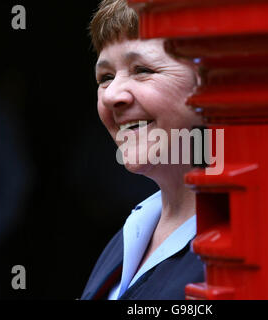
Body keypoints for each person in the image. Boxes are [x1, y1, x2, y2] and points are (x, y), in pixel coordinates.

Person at [81, 0, 205, 300]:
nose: (111, 95)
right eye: (105, 77)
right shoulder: (134, 229)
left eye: (142, 70)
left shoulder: (250, 243)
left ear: (211, 82)